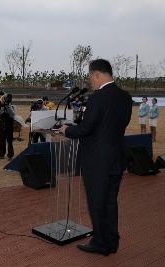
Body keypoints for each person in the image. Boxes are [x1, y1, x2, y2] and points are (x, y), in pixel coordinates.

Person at [59, 59, 132, 256]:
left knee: (97, 202)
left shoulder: (98, 98)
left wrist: (67, 130)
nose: (91, 82)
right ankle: (112, 241)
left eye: (91, 77)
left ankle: (100, 243)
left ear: (97, 74)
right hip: (116, 157)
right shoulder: (125, 97)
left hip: (97, 160)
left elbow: (86, 128)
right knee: (110, 202)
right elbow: (115, 125)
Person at [0, 93, 15, 160]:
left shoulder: (12, 106)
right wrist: (0, 107)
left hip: (9, 123)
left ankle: (10, 155)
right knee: (1, 140)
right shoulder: (0, 104)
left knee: (9, 140)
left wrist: (8, 107)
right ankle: (1, 154)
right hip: (1, 123)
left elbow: (12, 114)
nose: (7, 101)